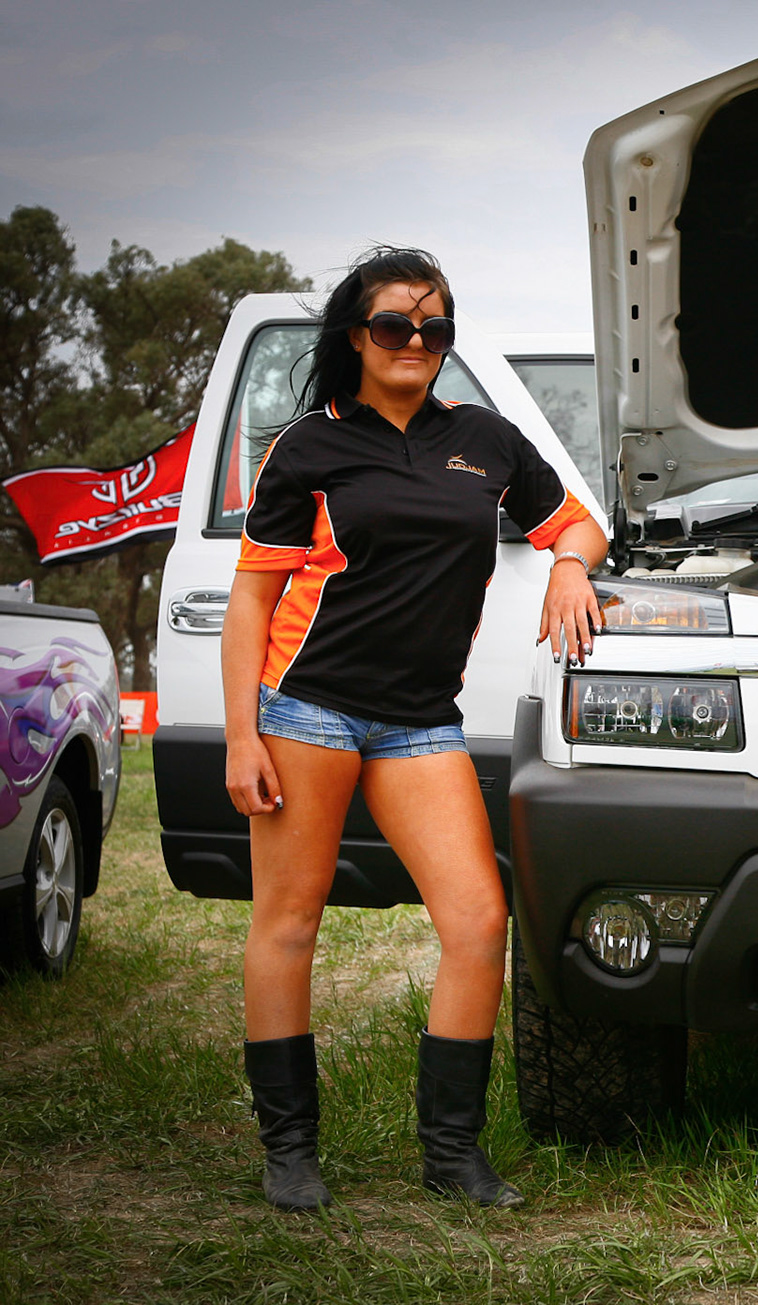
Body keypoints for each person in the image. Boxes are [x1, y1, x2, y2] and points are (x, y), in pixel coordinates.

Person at [221, 248, 603, 1210]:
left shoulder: (484, 437)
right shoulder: (308, 446)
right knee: (290, 921)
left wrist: (565, 565)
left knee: (477, 920)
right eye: (395, 325)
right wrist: (241, 735)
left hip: (419, 721)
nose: (416, 343)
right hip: (307, 705)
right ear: (356, 334)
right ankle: (291, 1150)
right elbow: (250, 599)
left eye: (436, 329)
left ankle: (452, 1154)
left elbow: (581, 524)